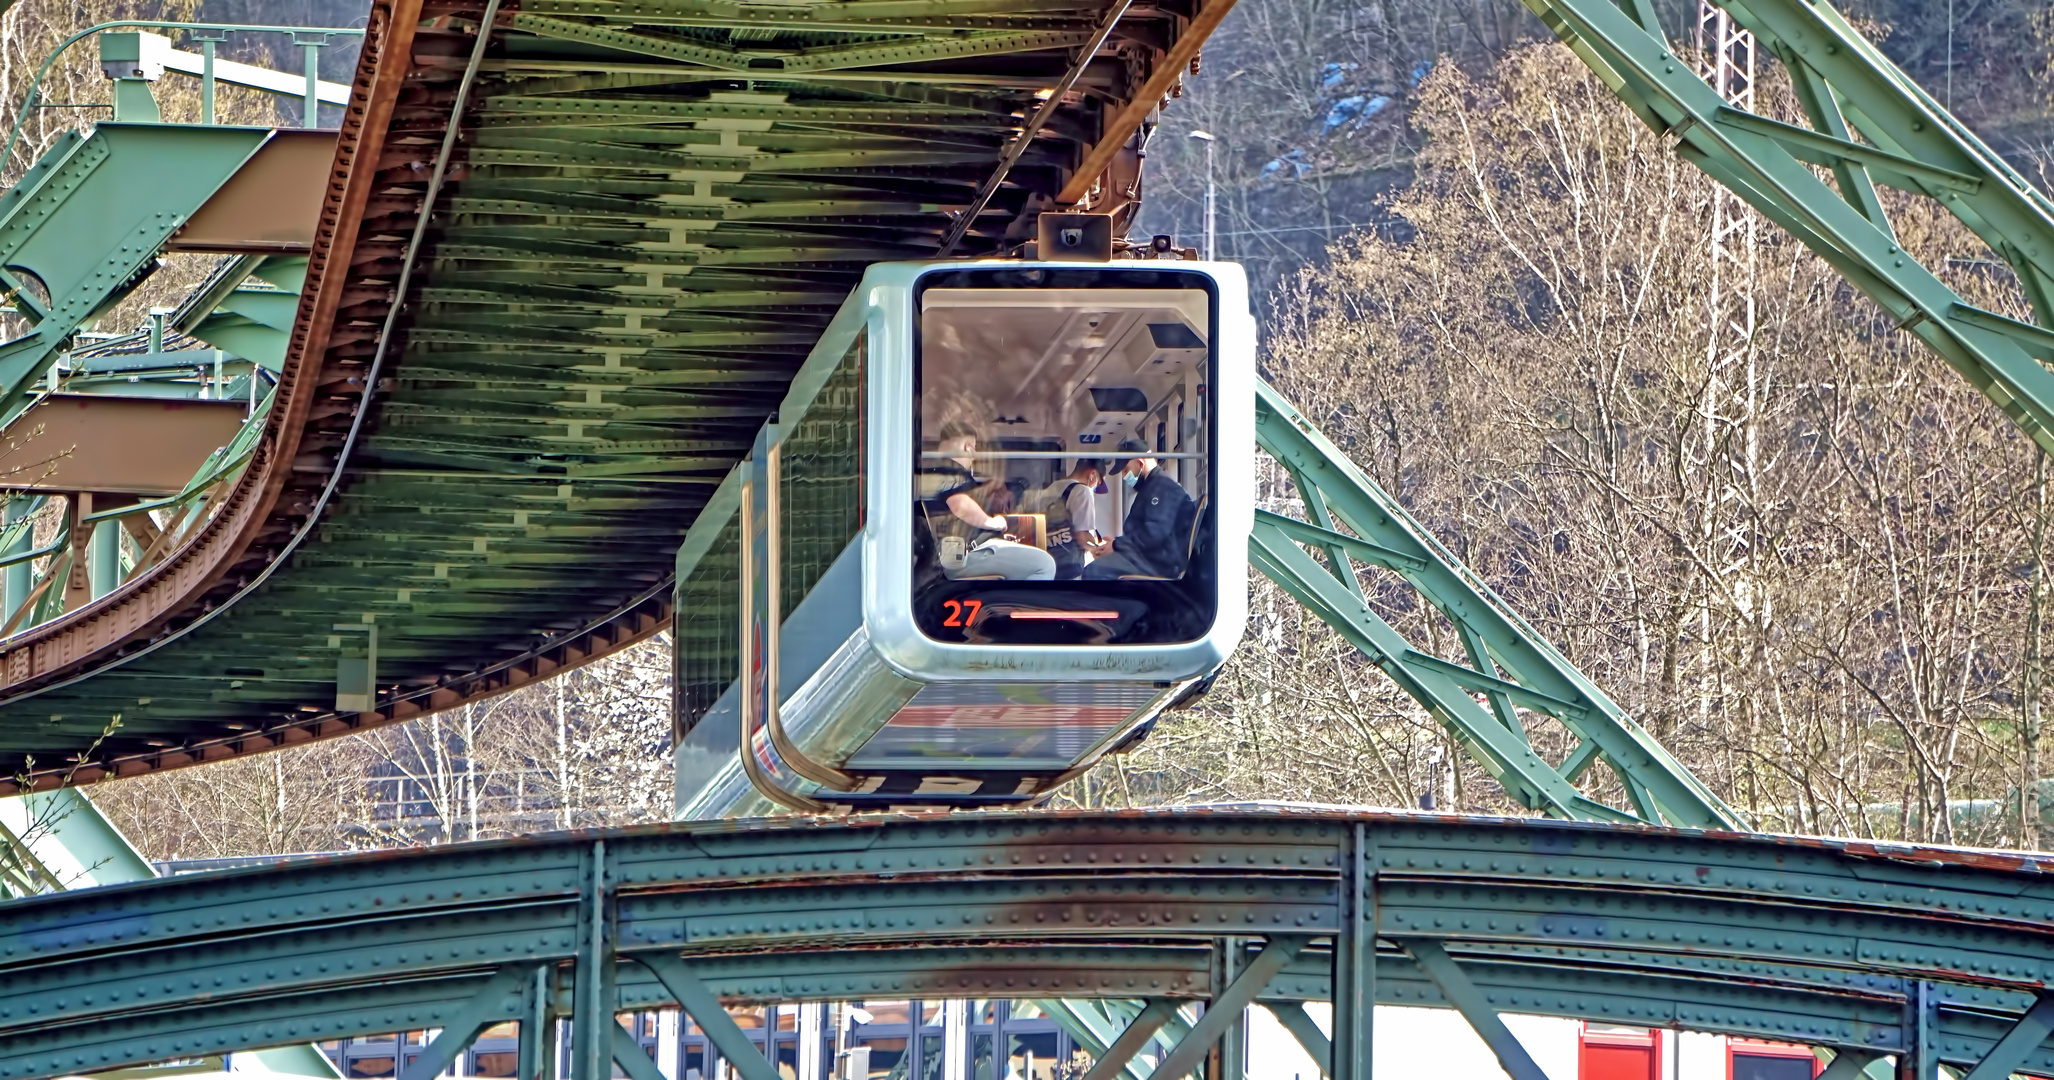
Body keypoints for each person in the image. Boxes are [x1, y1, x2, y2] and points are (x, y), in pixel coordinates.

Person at [917, 421, 1055, 580]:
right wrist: (994, 523)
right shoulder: (951, 470)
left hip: (947, 555)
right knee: (1044, 564)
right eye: (974, 449)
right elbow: (960, 505)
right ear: (968, 448)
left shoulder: (927, 468)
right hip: (958, 556)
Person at [1083, 440, 1196, 580]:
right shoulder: (1151, 488)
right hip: (1147, 557)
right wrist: (1117, 544)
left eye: (1126, 470)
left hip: (1158, 563)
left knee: (1095, 571)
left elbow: (1153, 534)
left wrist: (1117, 545)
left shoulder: (1163, 488)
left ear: (1140, 463)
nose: (1125, 477)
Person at [1025, 458, 1105, 580]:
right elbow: (1082, 536)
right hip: (1070, 567)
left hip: (1048, 563)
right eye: (1097, 483)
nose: (1094, 487)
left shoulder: (1048, 490)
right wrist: (1100, 547)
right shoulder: (1082, 491)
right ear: (1092, 475)